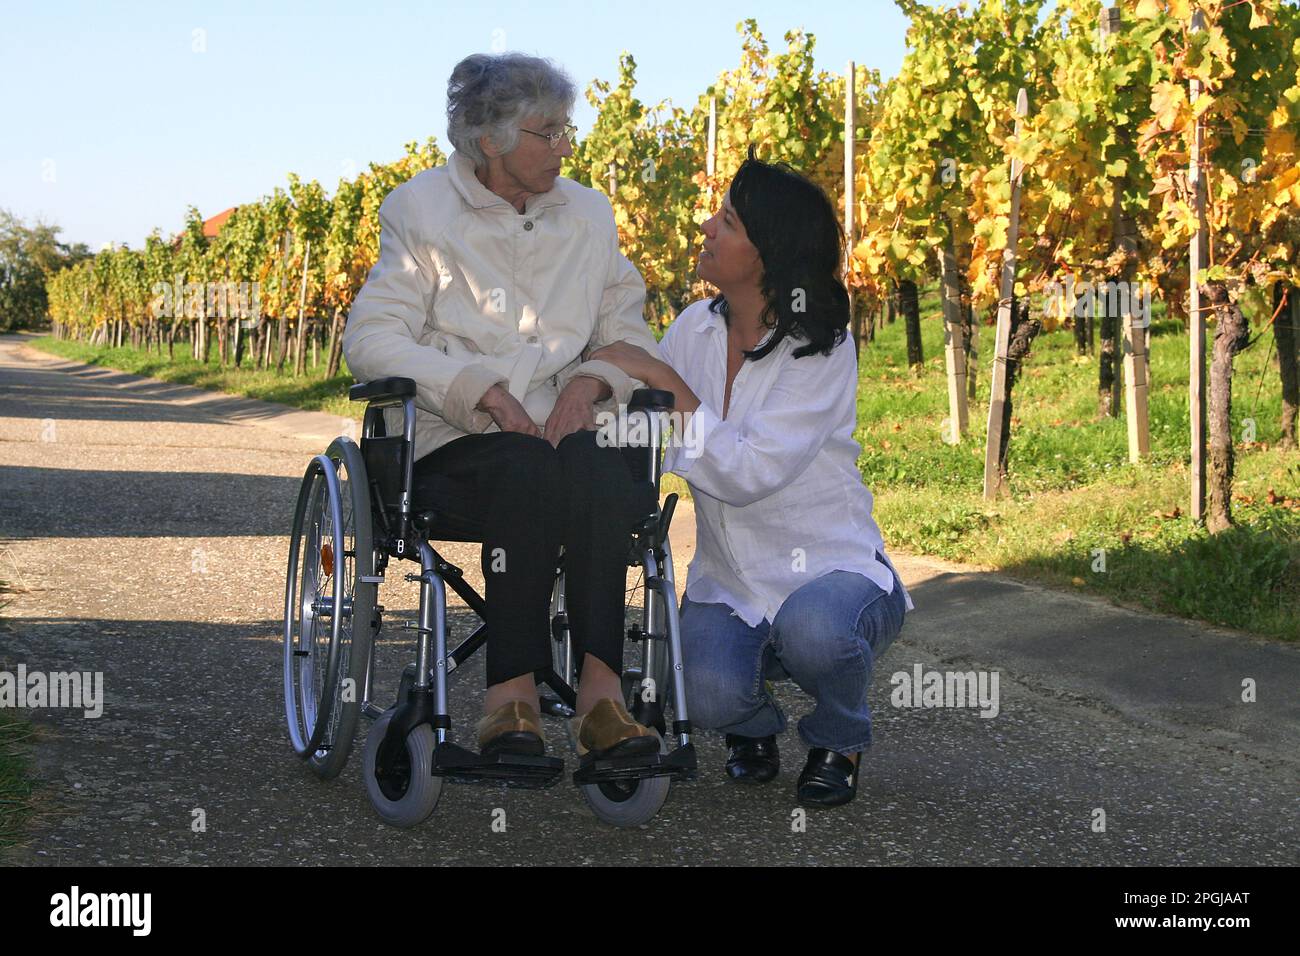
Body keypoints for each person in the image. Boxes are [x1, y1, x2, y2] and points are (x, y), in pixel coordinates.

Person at [342, 52, 661, 761]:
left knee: (605, 463)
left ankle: (603, 699)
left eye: (565, 130)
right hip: (455, 441)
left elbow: (628, 332)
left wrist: (593, 381)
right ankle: (509, 700)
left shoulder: (589, 213)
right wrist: (477, 389)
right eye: (548, 133)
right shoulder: (421, 210)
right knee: (525, 467)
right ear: (490, 140)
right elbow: (370, 339)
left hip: (565, 426)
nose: (565, 147)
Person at [589, 147, 915, 807]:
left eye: (729, 221)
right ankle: (754, 726)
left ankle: (839, 736)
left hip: (833, 571)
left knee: (817, 632)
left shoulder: (822, 349)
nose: (708, 227)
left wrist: (665, 382)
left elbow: (748, 471)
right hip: (733, 580)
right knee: (705, 692)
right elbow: (647, 418)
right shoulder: (694, 330)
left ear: (766, 253)